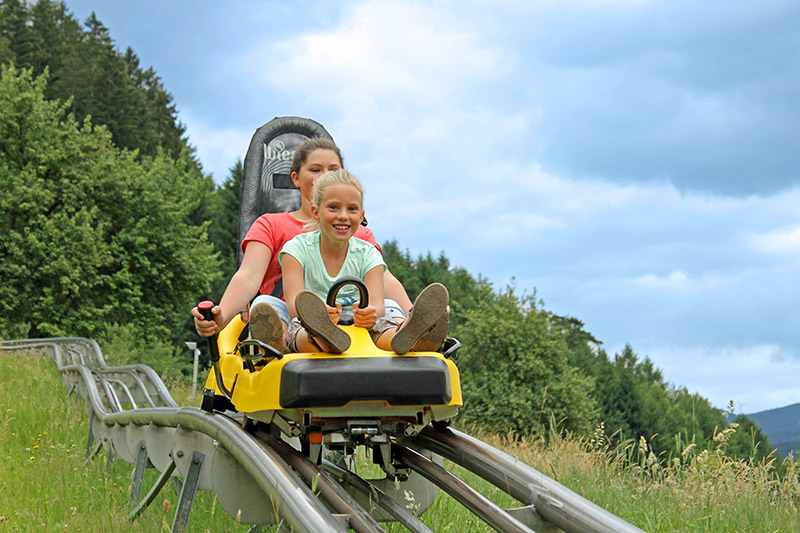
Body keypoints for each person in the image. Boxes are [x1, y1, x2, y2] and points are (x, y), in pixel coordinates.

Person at [191, 138, 415, 352]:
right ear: (296, 179)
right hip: (293, 315)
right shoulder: (272, 225)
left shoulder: (359, 235)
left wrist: (413, 313)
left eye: (333, 170)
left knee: (387, 305)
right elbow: (249, 276)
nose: (324, 176)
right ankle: (275, 340)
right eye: (315, 169)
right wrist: (221, 317)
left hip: (355, 318)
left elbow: (384, 280)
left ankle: (413, 333)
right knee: (266, 303)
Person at [276, 168, 449, 354]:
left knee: (384, 322)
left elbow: (377, 305)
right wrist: (318, 315)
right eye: (333, 207)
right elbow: (294, 305)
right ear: (315, 212)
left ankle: (413, 339)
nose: (343, 215)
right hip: (313, 325)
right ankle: (323, 337)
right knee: (300, 330)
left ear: (361, 215)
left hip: (361, 327)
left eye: (352, 209)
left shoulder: (368, 254)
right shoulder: (296, 250)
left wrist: (369, 313)